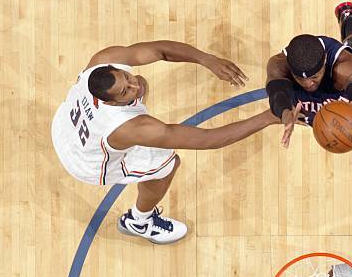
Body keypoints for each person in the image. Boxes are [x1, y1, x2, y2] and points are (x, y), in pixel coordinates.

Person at [52, 41, 280, 244]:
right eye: (125, 92)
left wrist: (207, 59)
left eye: (128, 79)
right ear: (111, 103)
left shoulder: (102, 60)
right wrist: (269, 117)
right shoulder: (131, 128)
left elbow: (159, 50)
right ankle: (139, 222)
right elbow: (210, 139)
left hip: (64, 126)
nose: (133, 86)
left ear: (112, 67)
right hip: (86, 161)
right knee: (166, 164)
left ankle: (139, 220)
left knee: (143, 83)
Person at [265, 2, 352, 147]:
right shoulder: (278, 64)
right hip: (318, 99)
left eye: (314, 77)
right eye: (300, 78)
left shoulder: (347, 66)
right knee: (291, 101)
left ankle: (348, 16)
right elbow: (276, 95)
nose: (308, 84)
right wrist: (284, 112)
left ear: (325, 61)